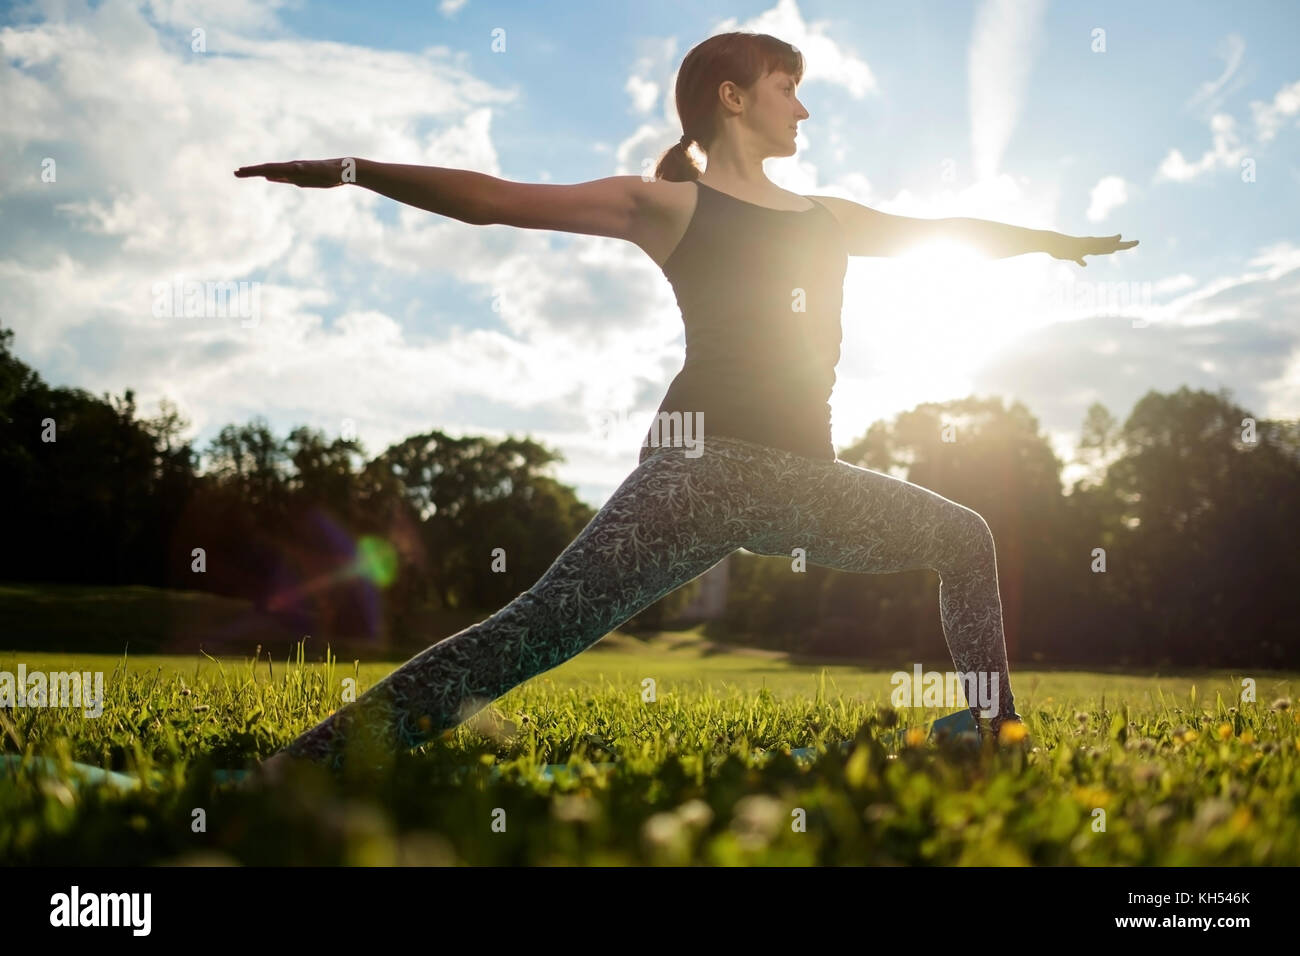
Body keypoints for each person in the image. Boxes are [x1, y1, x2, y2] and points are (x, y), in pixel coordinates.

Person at [233, 31, 1137, 779]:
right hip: (698, 471)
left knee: (963, 538)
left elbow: (945, 235)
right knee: (536, 633)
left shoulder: (827, 218)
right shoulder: (669, 204)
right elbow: (496, 201)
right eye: (789, 87)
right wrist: (353, 169)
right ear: (733, 97)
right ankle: (301, 767)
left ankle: (993, 733)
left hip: (801, 484)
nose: (805, 107)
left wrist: (1049, 242)